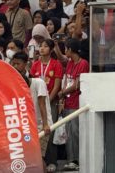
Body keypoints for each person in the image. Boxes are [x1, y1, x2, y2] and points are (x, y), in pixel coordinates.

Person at [10, 52, 52, 162]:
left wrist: (45, 124)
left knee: (38, 157)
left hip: (41, 126)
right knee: (30, 157)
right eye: (13, 64)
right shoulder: (14, 82)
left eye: (18, 64)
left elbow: (42, 104)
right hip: (27, 127)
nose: (15, 66)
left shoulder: (39, 82)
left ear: (25, 64)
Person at [30, 38, 63, 172]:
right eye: (40, 46)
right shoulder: (35, 65)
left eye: (45, 46)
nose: (42, 48)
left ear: (51, 49)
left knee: (50, 131)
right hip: (36, 104)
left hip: (51, 102)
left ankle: (52, 161)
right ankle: (39, 161)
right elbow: (31, 84)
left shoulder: (56, 64)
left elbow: (56, 86)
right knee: (37, 133)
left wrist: (47, 101)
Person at [58, 38, 89, 171]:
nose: (65, 51)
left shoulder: (83, 63)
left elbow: (77, 84)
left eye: (66, 49)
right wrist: (63, 99)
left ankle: (77, 160)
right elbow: (67, 80)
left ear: (70, 50)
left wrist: (62, 93)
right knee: (69, 133)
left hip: (76, 103)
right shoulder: (70, 62)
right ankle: (71, 160)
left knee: (75, 132)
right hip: (68, 102)